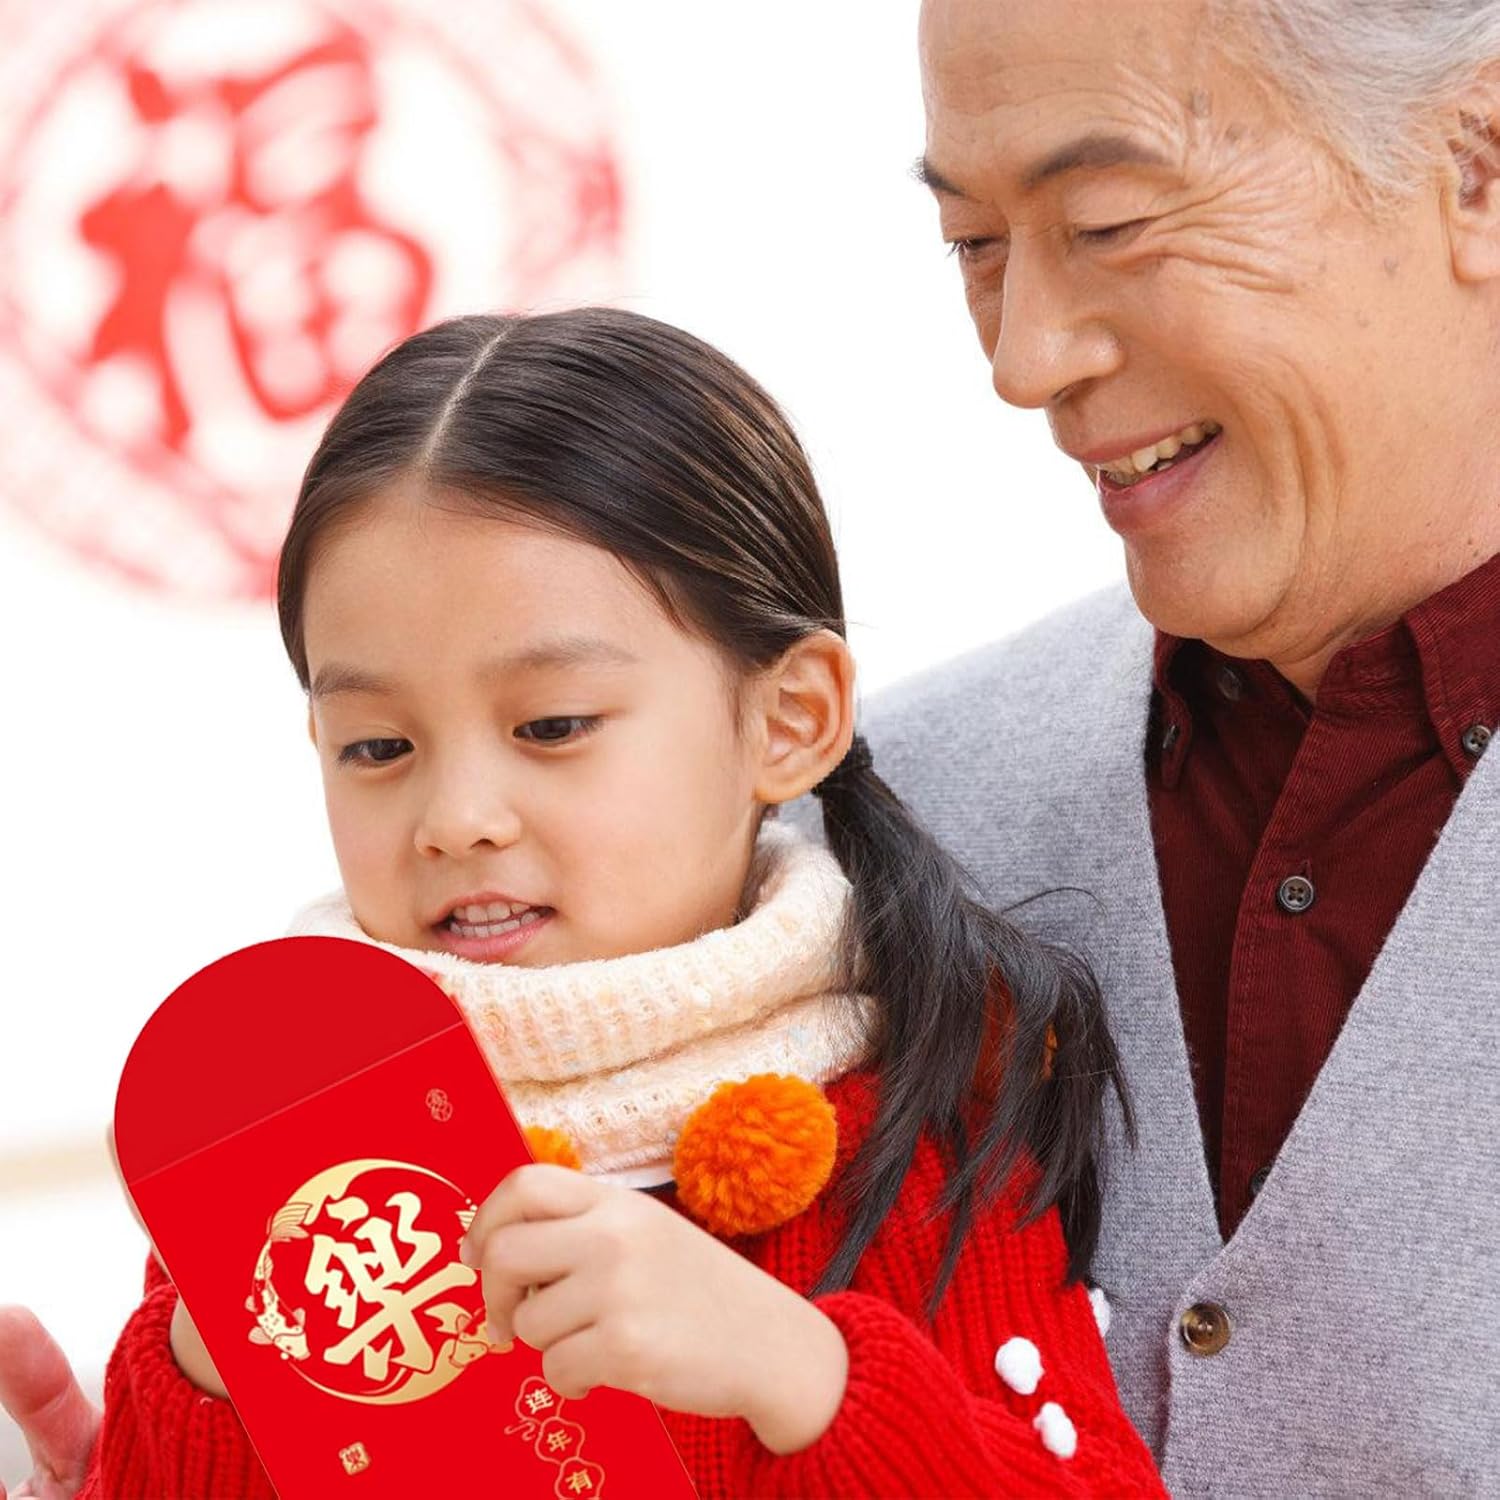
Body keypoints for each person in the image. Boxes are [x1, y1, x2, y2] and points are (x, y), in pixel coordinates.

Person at [2, 308, 1165, 1498]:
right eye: (378, 746)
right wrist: (205, 1377)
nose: (457, 816)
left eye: (551, 725)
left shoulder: (926, 1127)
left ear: (790, 718)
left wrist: (803, 1376)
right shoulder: (279, 1164)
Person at [872, 0, 1500, 1494]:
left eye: (1111, 221)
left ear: (1475, 164)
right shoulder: (883, 820)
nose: (1024, 359)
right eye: (974, 244)